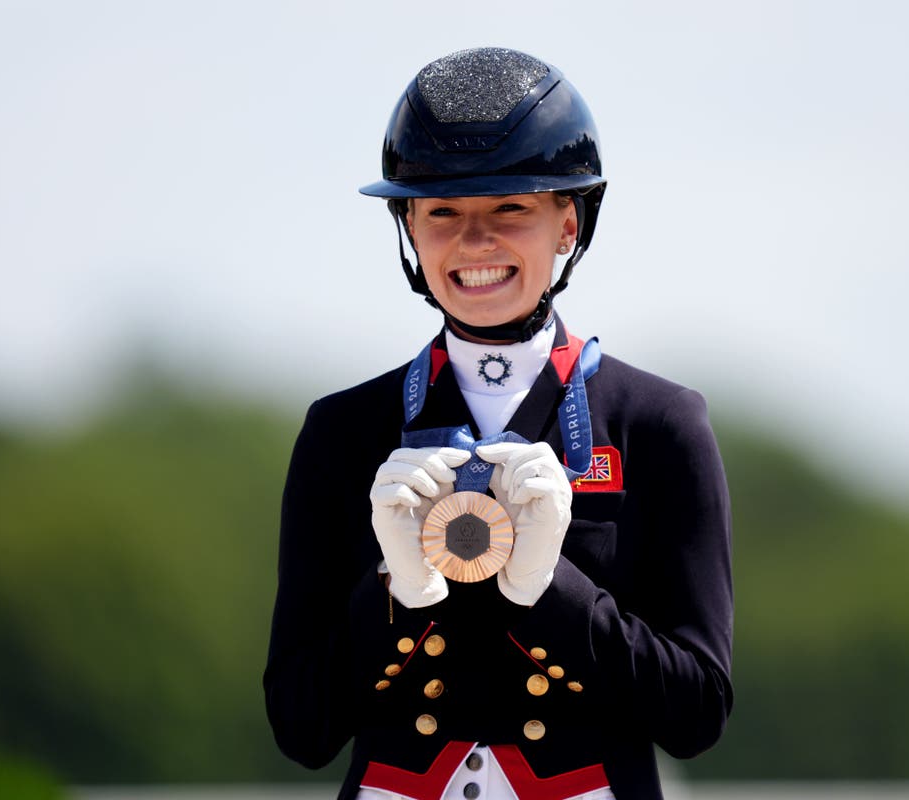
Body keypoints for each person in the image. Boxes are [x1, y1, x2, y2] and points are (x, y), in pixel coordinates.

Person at [264, 47, 733, 800]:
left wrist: (552, 589)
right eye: (443, 212)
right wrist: (396, 593)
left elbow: (696, 714)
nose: (474, 242)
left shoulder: (659, 425)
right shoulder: (342, 431)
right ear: (409, 228)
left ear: (568, 221)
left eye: (510, 208)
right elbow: (300, 727)